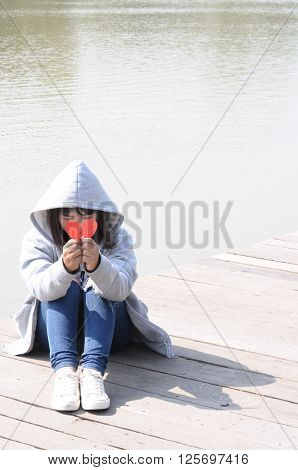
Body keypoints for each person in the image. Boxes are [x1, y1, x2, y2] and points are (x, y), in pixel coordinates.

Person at [1, 160, 175, 413]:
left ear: (100, 214)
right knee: (65, 286)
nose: (76, 221)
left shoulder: (118, 238)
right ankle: (65, 373)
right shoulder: (38, 239)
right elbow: (40, 288)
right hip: (54, 333)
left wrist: (98, 266)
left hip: (111, 333)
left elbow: (121, 290)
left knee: (98, 285)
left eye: (86, 214)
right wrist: (64, 268)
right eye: (67, 214)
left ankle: (93, 373)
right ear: (54, 213)